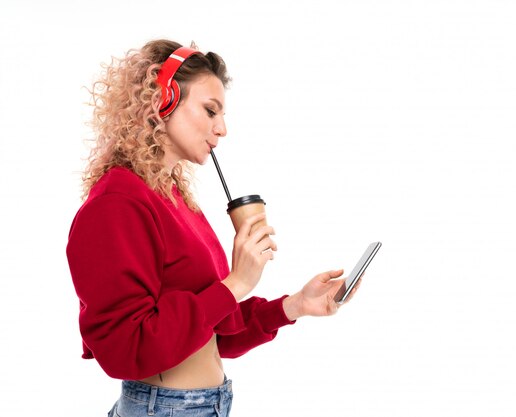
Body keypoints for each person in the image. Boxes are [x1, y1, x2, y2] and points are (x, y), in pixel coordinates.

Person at [66, 39, 358, 417]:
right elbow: (126, 348)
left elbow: (216, 332)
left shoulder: (172, 198)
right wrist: (236, 283)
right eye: (209, 110)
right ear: (162, 100)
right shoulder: (117, 203)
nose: (221, 129)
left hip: (205, 405)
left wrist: (296, 305)